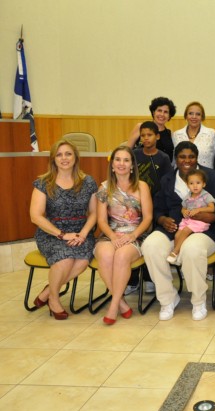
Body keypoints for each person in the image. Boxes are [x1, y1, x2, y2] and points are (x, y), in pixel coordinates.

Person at [141, 142, 215, 321]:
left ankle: (198, 301)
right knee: (150, 246)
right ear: (176, 158)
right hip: (173, 228)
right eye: (182, 156)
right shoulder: (167, 179)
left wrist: (213, 217)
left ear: (197, 158)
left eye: (191, 157)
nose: (186, 160)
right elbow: (157, 209)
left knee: (192, 248)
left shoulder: (211, 176)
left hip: (206, 230)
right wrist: (162, 219)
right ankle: (168, 298)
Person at [29, 140, 98, 320]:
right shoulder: (43, 182)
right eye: (59, 154)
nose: (64, 158)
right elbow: (35, 216)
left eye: (68, 154)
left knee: (83, 260)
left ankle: (48, 293)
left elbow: (94, 213)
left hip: (81, 232)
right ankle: (54, 300)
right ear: (53, 159)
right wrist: (61, 234)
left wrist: (83, 234)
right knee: (65, 259)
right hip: (52, 233)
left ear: (75, 157)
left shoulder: (88, 181)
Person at [94, 146, 153, 325]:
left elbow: (148, 217)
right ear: (112, 165)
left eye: (126, 160)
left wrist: (133, 235)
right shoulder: (104, 187)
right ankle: (120, 301)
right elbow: (101, 220)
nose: (121, 163)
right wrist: (112, 236)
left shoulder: (142, 186)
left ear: (132, 165)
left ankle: (113, 307)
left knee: (121, 256)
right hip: (111, 233)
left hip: (135, 233)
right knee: (104, 254)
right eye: (117, 159)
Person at [127, 121, 173, 296]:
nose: (146, 138)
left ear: (157, 136)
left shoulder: (163, 158)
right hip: (135, 207)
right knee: (134, 240)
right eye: (143, 135)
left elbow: (167, 183)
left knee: (149, 241)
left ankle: (148, 277)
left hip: (155, 207)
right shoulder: (134, 155)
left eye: (150, 135)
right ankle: (131, 280)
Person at [167, 169, 215, 263]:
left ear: (203, 184)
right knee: (177, 235)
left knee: (185, 230)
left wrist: (199, 209)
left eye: (198, 183)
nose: (195, 186)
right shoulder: (187, 196)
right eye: (191, 183)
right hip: (188, 220)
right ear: (188, 185)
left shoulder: (206, 195)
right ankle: (179, 255)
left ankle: (175, 251)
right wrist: (184, 211)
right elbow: (183, 207)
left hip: (200, 221)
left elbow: (212, 208)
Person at [172, 101, 215, 168]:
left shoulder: (211, 134)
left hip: (206, 176)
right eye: (190, 113)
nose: (194, 117)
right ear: (186, 116)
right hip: (182, 176)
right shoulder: (176, 135)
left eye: (198, 114)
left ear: (202, 117)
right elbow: (173, 161)